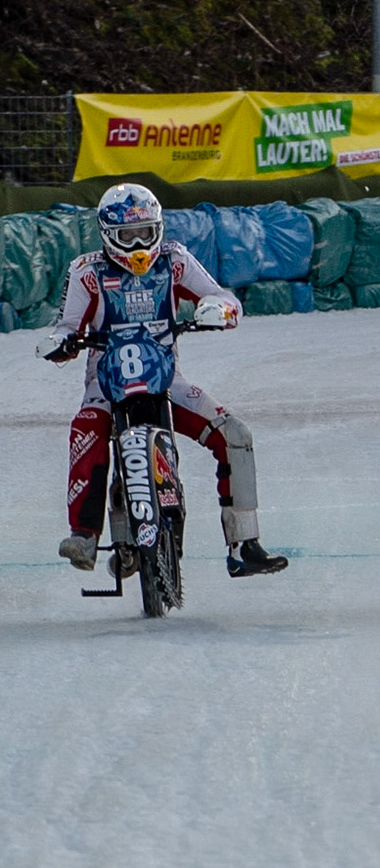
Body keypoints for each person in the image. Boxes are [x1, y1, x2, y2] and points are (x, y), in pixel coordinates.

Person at [36, 183, 289, 578]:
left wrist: (215, 309)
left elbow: (223, 297)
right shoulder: (86, 271)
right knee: (85, 429)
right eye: (126, 236)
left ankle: (244, 543)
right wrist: (62, 342)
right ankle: (84, 534)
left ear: (159, 228)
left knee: (235, 434)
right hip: (105, 380)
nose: (137, 245)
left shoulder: (174, 260)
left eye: (145, 233)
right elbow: (67, 324)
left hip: (165, 377)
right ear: (107, 237)